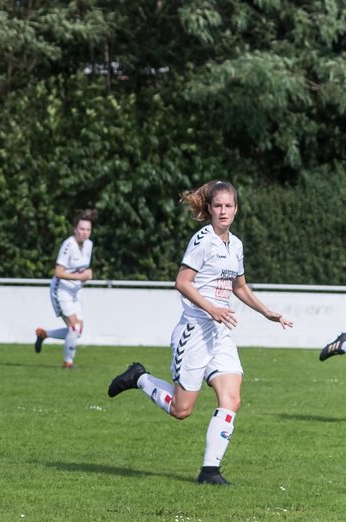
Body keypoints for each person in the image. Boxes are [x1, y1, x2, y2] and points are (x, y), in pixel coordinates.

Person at [107, 180, 292, 485]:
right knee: (182, 411)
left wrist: (266, 311)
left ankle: (210, 471)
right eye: (218, 206)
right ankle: (139, 377)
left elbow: (240, 287)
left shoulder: (236, 245)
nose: (223, 211)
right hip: (194, 331)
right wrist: (212, 309)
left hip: (219, 334)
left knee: (231, 399)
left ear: (236, 209)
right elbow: (182, 282)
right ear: (209, 209)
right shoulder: (203, 240)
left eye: (229, 206)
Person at [34, 213, 95, 368]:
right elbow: (59, 272)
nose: (85, 232)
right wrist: (81, 276)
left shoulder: (89, 244)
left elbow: (82, 269)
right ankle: (68, 362)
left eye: (88, 229)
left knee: (78, 331)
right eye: (82, 229)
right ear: (75, 229)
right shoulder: (68, 245)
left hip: (75, 291)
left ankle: (44, 334)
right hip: (61, 290)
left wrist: (87, 274)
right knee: (74, 328)